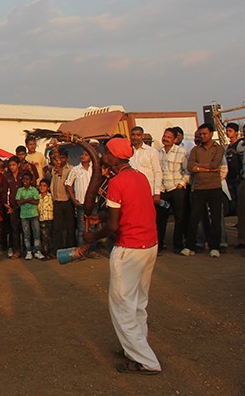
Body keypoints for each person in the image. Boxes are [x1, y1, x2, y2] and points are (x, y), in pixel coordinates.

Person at [83, 138, 161, 375]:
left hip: (130, 248)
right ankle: (134, 348)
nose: (103, 156)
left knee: (121, 305)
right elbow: (130, 210)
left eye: (106, 153)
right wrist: (102, 219)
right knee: (138, 302)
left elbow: (115, 225)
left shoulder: (117, 182)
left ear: (115, 157)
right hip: (149, 245)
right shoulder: (139, 177)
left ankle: (145, 360)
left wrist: (93, 237)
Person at [187, 123, 225, 257]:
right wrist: (208, 168)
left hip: (214, 187)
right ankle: (190, 245)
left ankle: (215, 246)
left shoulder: (219, 148)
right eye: (201, 134)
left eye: (205, 134)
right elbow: (190, 166)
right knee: (194, 217)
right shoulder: (195, 150)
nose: (202, 136)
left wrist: (199, 166)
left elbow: (216, 164)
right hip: (198, 188)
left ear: (211, 134)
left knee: (215, 218)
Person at [157, 128, 191, 255]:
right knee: (161, 217)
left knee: (179, 217)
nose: (165, 139)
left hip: (177, 189)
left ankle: (178, 245)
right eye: (164, 136)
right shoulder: (158, 152)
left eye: (169, 137)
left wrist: (182, 184)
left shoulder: (181, 152)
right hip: (163, 190)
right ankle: (159, 244)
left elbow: (187, 171)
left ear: (175, 139)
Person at [66, 149, 93, 246]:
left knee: (92, 227)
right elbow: (68, 185)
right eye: (82, 154)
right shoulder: (75, 169)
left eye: (86, 154)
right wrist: (73, 199)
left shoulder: (93, 169)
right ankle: (81, 250)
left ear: (90, 157)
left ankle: (91, 249)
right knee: (81, 228)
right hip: (81, 203)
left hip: (93, 202)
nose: (83, 156)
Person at [16, 173, 44, 260]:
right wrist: (29, 199)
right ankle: (28, 251)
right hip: (24, 215)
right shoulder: (20, 190)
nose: (25, 181)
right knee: (26, 234)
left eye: (27, 179)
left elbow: (36, 202)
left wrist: (24, 200)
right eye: (24, 179)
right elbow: (18, 202)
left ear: (31, 181)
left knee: (36, 233)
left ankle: (37, 251)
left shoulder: (34, 190)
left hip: (33, 214)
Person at [224, 122, 243, 217]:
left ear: (236, 132)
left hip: (238, 177)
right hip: (230, 177)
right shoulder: (227, 147)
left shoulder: (240, 145)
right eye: (227, 131)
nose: (228, 133)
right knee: (234, 200)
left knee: (241, 200)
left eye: (230, 131)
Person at [37, 179, 54, 259]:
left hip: (49, 219)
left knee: (48, 237)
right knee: (43, 237)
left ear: (48, 187)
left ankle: (49, 252)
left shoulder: (51, 197)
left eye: (44, 186)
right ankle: (45, 252)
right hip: (41, 219)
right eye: (41, 185)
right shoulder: (38, 197)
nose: (42, 187)